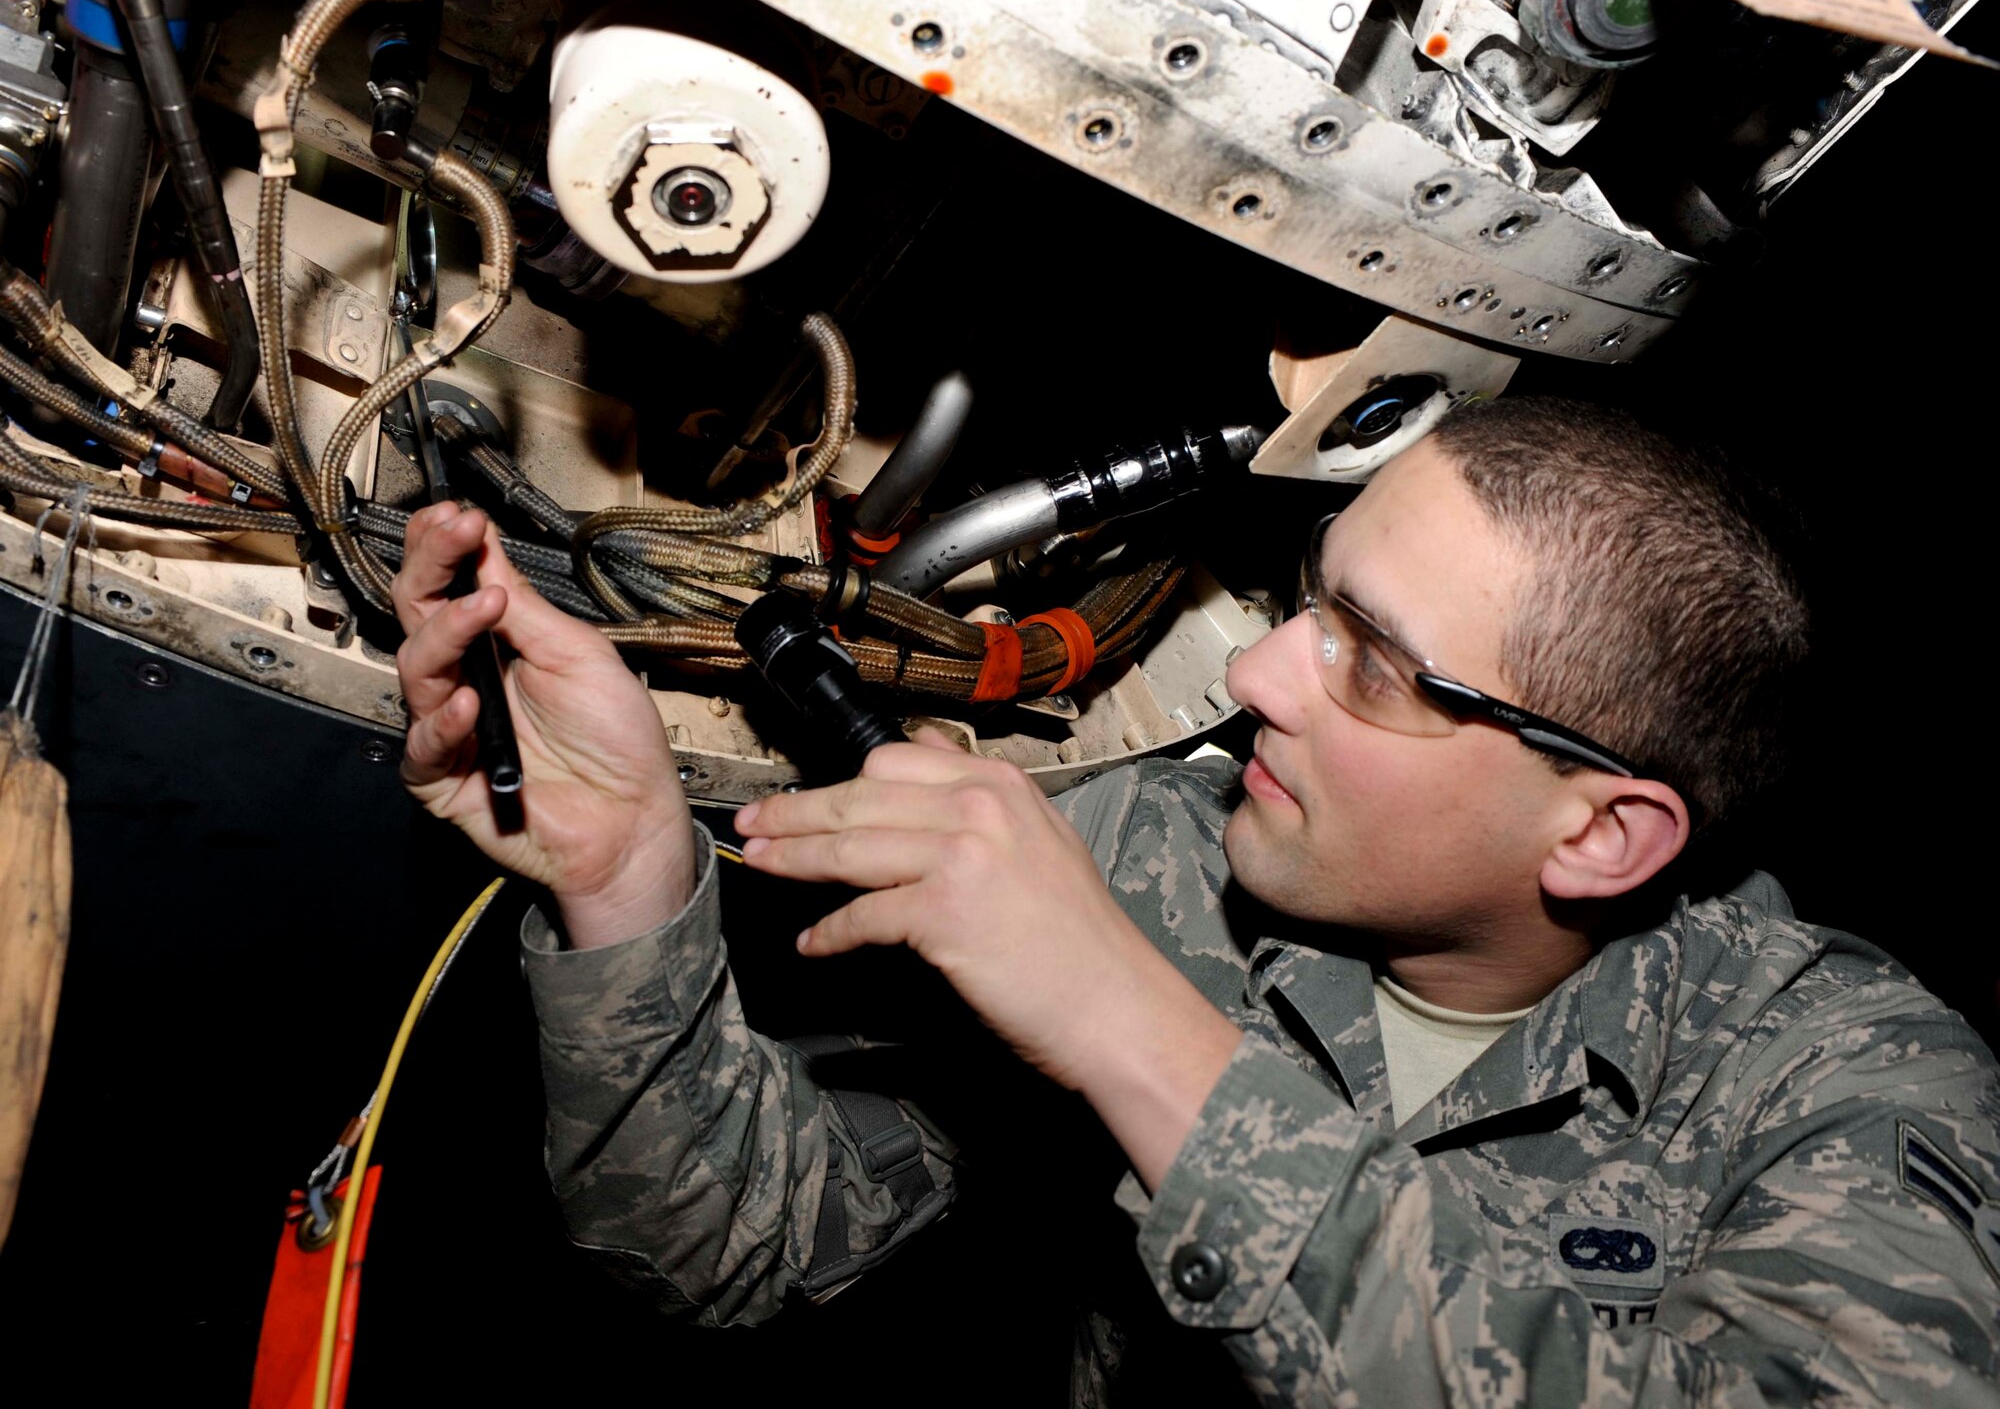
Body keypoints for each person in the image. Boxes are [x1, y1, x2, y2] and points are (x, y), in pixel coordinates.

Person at [391, 397, 2000, 1406]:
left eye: (1372, 663)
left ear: (1600, 836)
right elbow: (731, 1255)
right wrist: (630, 887)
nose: (1254, 674)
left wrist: (1132, 1034)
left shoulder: (1848, 1082)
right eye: (1314, 598)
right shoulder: (1164, 846)